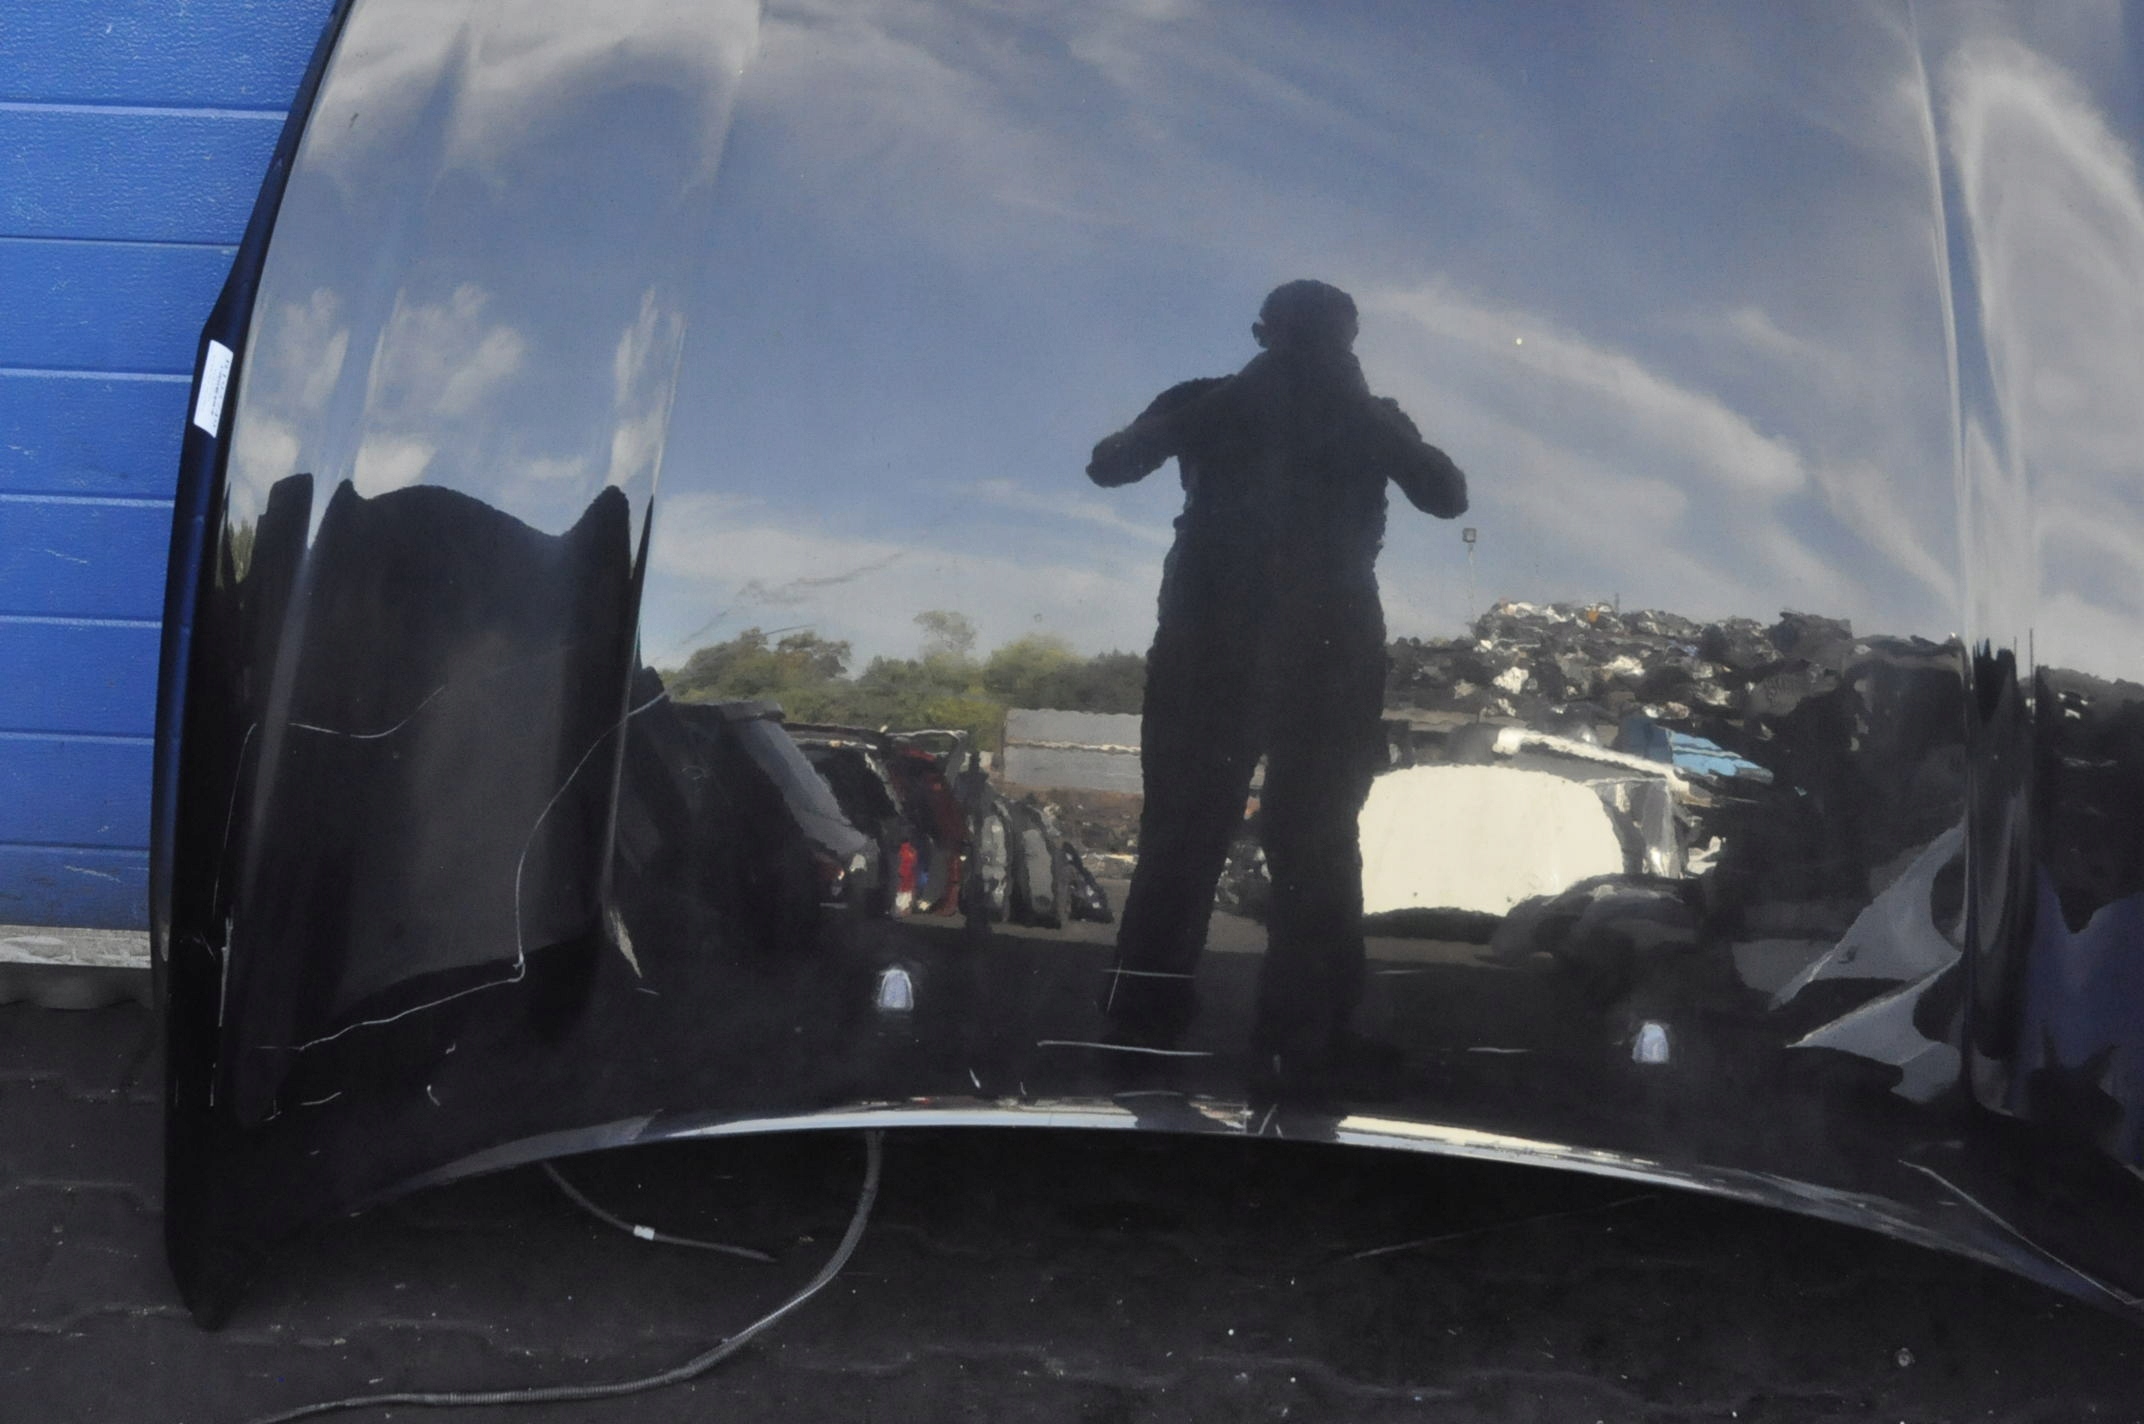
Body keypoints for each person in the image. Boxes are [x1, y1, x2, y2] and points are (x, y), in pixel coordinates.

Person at [1088, 279, 1467, 1090]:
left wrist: (1353, 410)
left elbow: (1446, 496)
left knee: (1308, 837)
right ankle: (1163, 1028)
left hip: (1314, 642)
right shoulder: (1208, 399)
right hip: (1224, 639)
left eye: (1331, 338)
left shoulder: (1371, 414)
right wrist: (1236, 399)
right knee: (1202, 833)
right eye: (1309, 336)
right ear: (1264, 335)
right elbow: (1109, 465)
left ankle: (1294, 1034)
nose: (1318, 352)